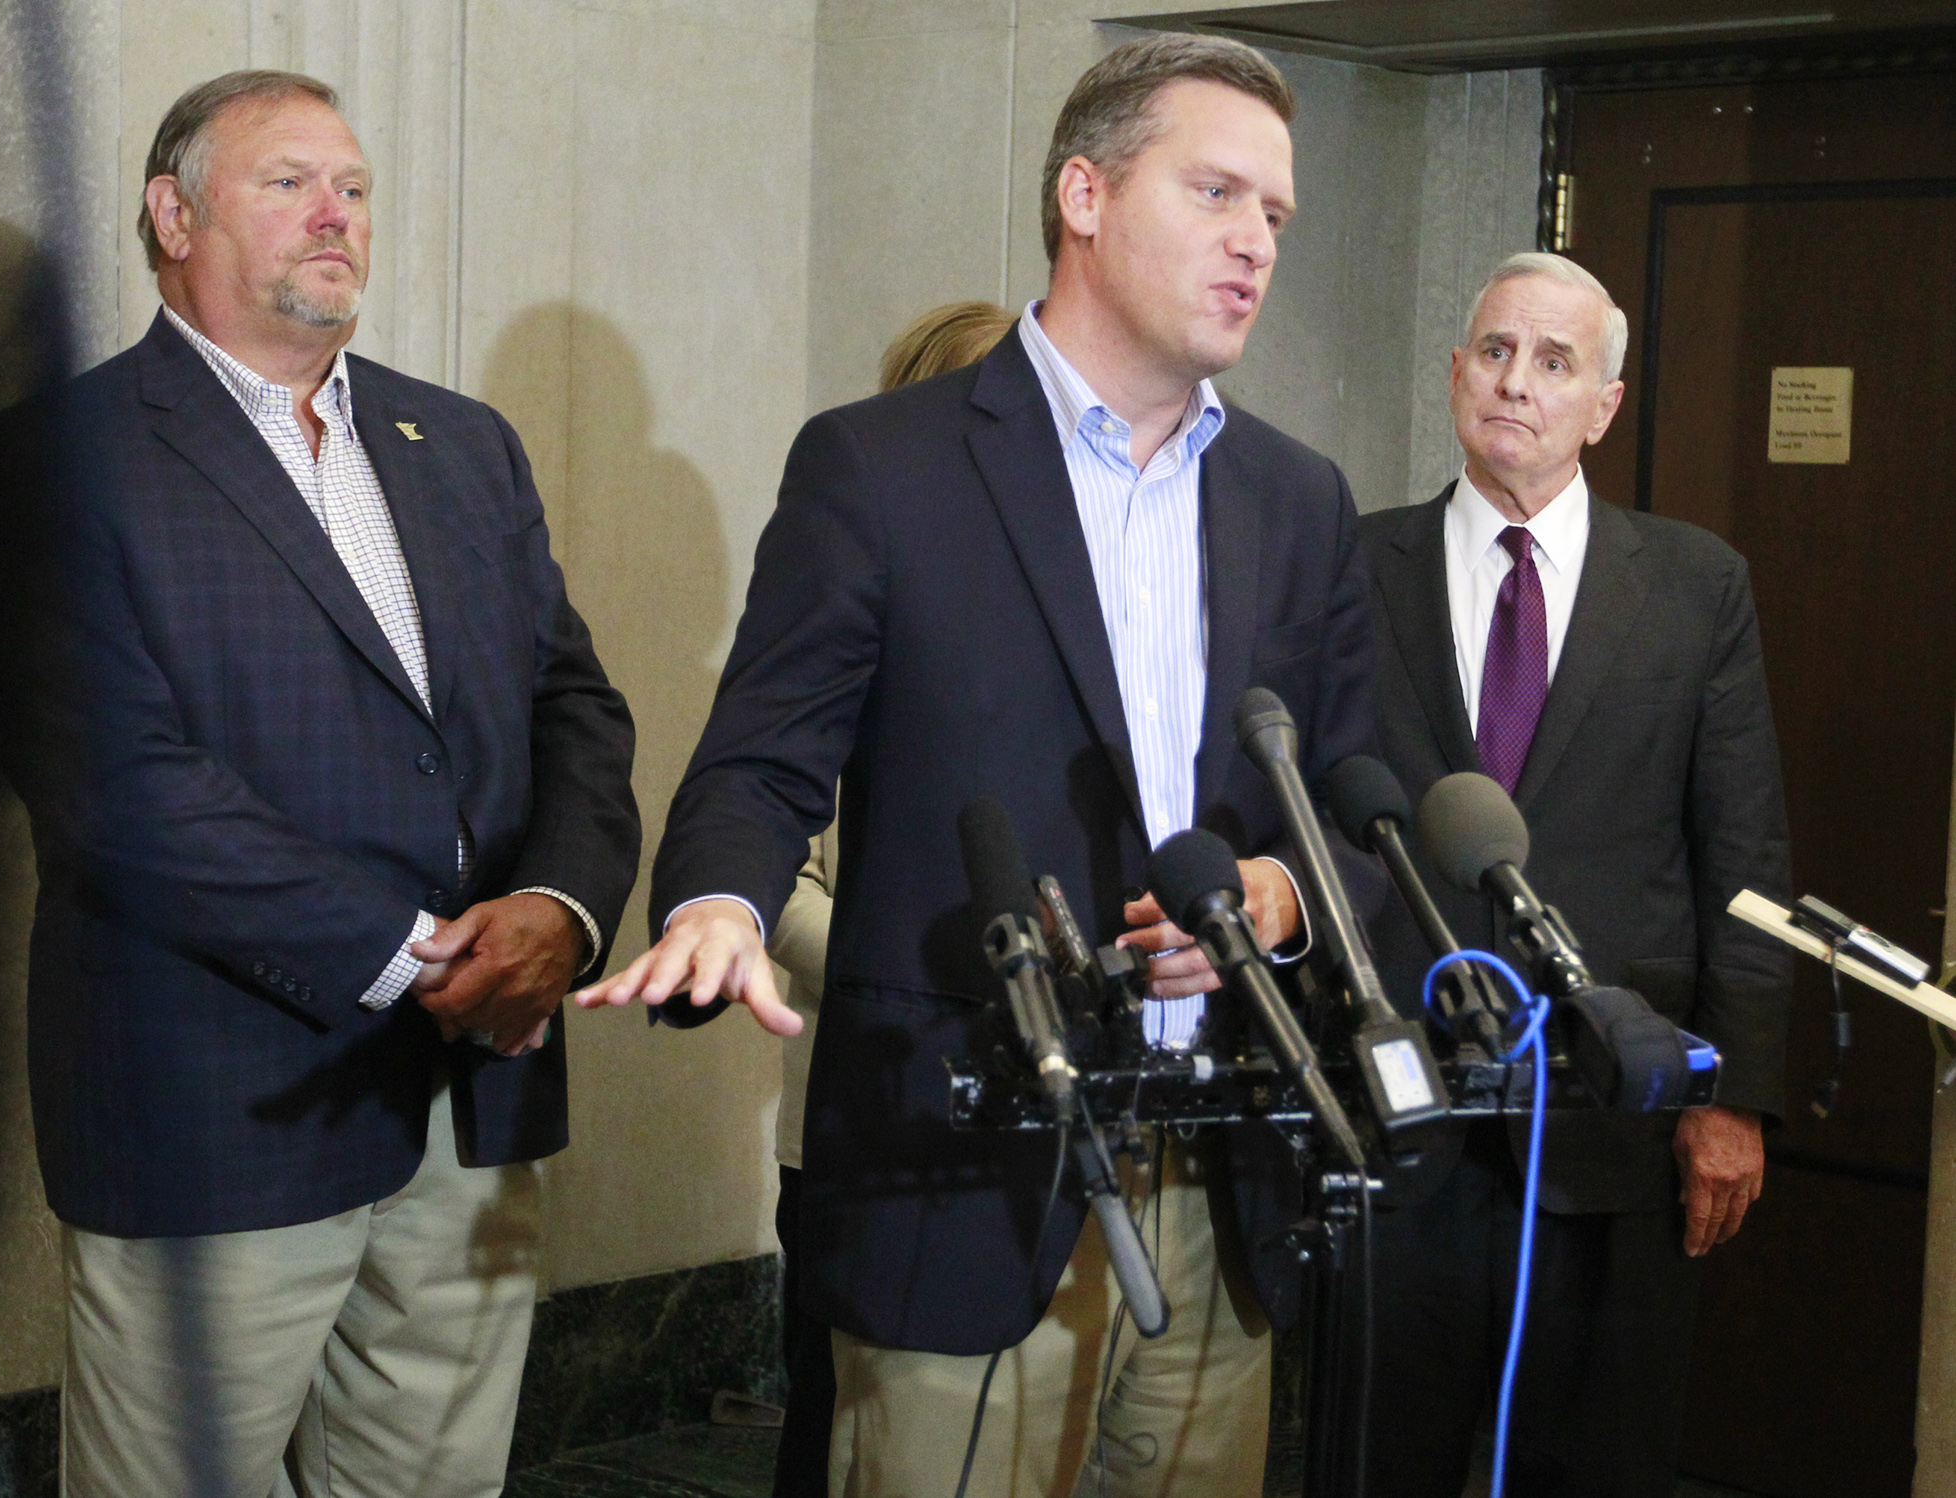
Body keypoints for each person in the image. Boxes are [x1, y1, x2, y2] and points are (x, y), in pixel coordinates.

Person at [580, 34, 1382, 1498]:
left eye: (1275, 214)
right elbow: (759, 764)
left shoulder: (1297, 498)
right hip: (966, 1164)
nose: (1256, 244)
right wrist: (720, 905)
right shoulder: (881, 467)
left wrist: (1275, 898)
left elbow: (1352, 808)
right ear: (1084, 192)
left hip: (1219, 1184)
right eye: (1217, 194)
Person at [0, 70, 641, 1497]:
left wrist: (564, 910)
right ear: (173, 213)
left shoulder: (460, 443)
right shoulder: (58, 461)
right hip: (219, 1111)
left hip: (478, 1097)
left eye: (356, 188)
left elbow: (574, 705)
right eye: (290, 183)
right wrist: (419, 957)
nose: (337, 214)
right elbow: (123, 789)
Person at [1357, 251, 1791, 1497]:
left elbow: (1745, 855)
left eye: (1555, 363)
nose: (1516, 384)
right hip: (1404, 1116)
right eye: (1494, 351)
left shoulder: (1697, 587)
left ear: (1603, 404)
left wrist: (1732, 1093)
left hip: (1614, 1122)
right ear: (1454, 374)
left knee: (1592, 1463)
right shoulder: (1350, 565)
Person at [767, 299, 1016, 1498]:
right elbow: (777, 893)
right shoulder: (848, 625)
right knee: (834, 1431)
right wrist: (932, 974)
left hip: (1011, 1127)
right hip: (854, 1109)